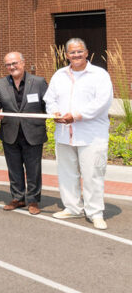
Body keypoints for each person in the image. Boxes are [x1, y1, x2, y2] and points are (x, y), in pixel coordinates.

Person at [44, 38, 113, 230]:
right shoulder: (59, 75)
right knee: (67, 173)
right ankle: (73, 208)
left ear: (86, 52)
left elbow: (102, 103)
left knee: (93, 174)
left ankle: (95, 212)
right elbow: (50, 99)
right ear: (66, 55)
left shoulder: (99, 75)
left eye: (79, 51)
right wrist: (54, 112)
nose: (76, 55)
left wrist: (76, 116)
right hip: (65, 134)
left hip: (91, 135)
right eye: (72, 52)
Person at [0, 52, 48, 215]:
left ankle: (33, 200)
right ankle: (18, 197)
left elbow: (49, 103)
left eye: (15, 63)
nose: (12, 67)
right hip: (10, 132)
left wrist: (56, 114)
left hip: (33, 132)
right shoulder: (1, 83)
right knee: (14, 168)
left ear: (23, 63)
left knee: (33, 169)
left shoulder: (38, 82)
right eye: (8, 64)